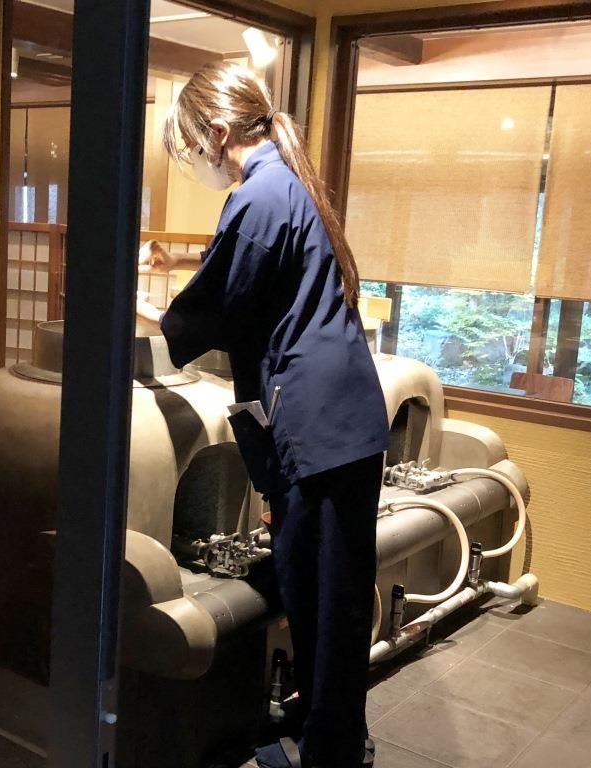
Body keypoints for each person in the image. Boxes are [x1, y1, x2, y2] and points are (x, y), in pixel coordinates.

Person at [136, 62, 390, 768]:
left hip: (320, 424)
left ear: (218, 132)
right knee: (323, 595)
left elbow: (219, 304)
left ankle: (331, 752)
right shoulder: (288, 181)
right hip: (338, 418)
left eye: (191, 146)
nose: (194, 160)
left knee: (326, 602)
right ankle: (323, 728)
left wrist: (149, 312)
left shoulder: (259, 194)